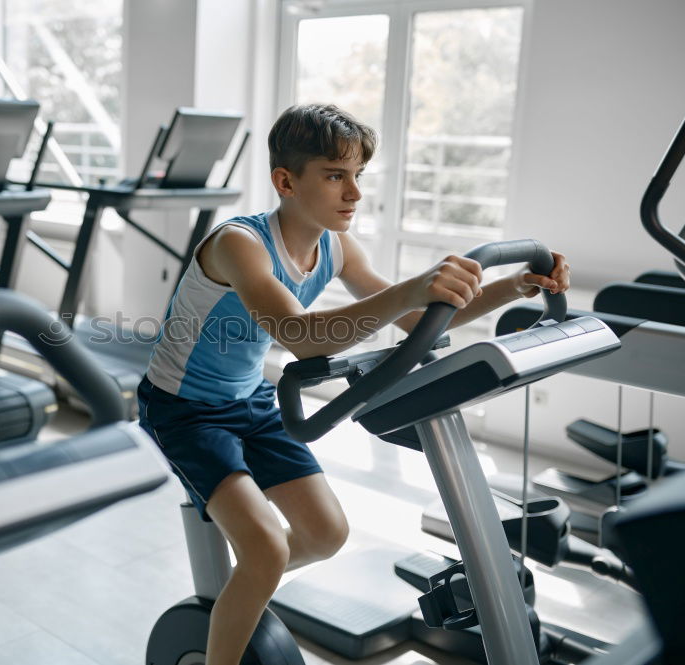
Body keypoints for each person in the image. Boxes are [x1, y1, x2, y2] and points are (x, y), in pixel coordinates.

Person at [137, 104, 570, 665]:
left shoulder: (337, 248)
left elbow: (420, 320)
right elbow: (302, 336)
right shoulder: (237, 244)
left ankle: (248, 583)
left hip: (252, 399)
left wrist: (515, 287)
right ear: (286, 182)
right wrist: (413, 290)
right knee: (268, 546)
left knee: (325, 534)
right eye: (336, 175)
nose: (355, 193)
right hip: (184, 408)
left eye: (359, 176)